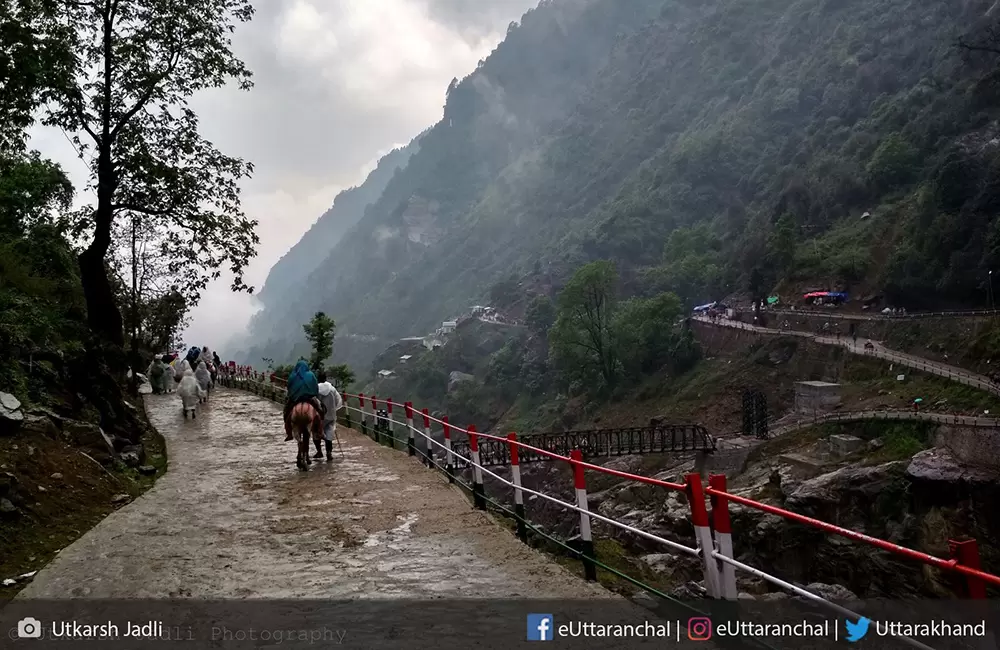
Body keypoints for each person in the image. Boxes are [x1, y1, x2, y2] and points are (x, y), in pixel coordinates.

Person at [283, 360, 325, 441]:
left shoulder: (292, 376)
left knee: (286, 412)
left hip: (295, 399)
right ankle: (320, 432)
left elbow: (289, 387)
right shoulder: (311, 375)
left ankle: (289, 433)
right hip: (310, 398)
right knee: (320, 410)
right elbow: (315, 387)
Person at [316, 370, 344, 461]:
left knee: (316, 432)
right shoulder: (332, 388)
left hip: (320, 416)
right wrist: (334, 409)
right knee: (329, 433)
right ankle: (329, 453)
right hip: (331, 415)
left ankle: (319, 451)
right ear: (325, 378)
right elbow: (338, 400)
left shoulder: (316, 389)